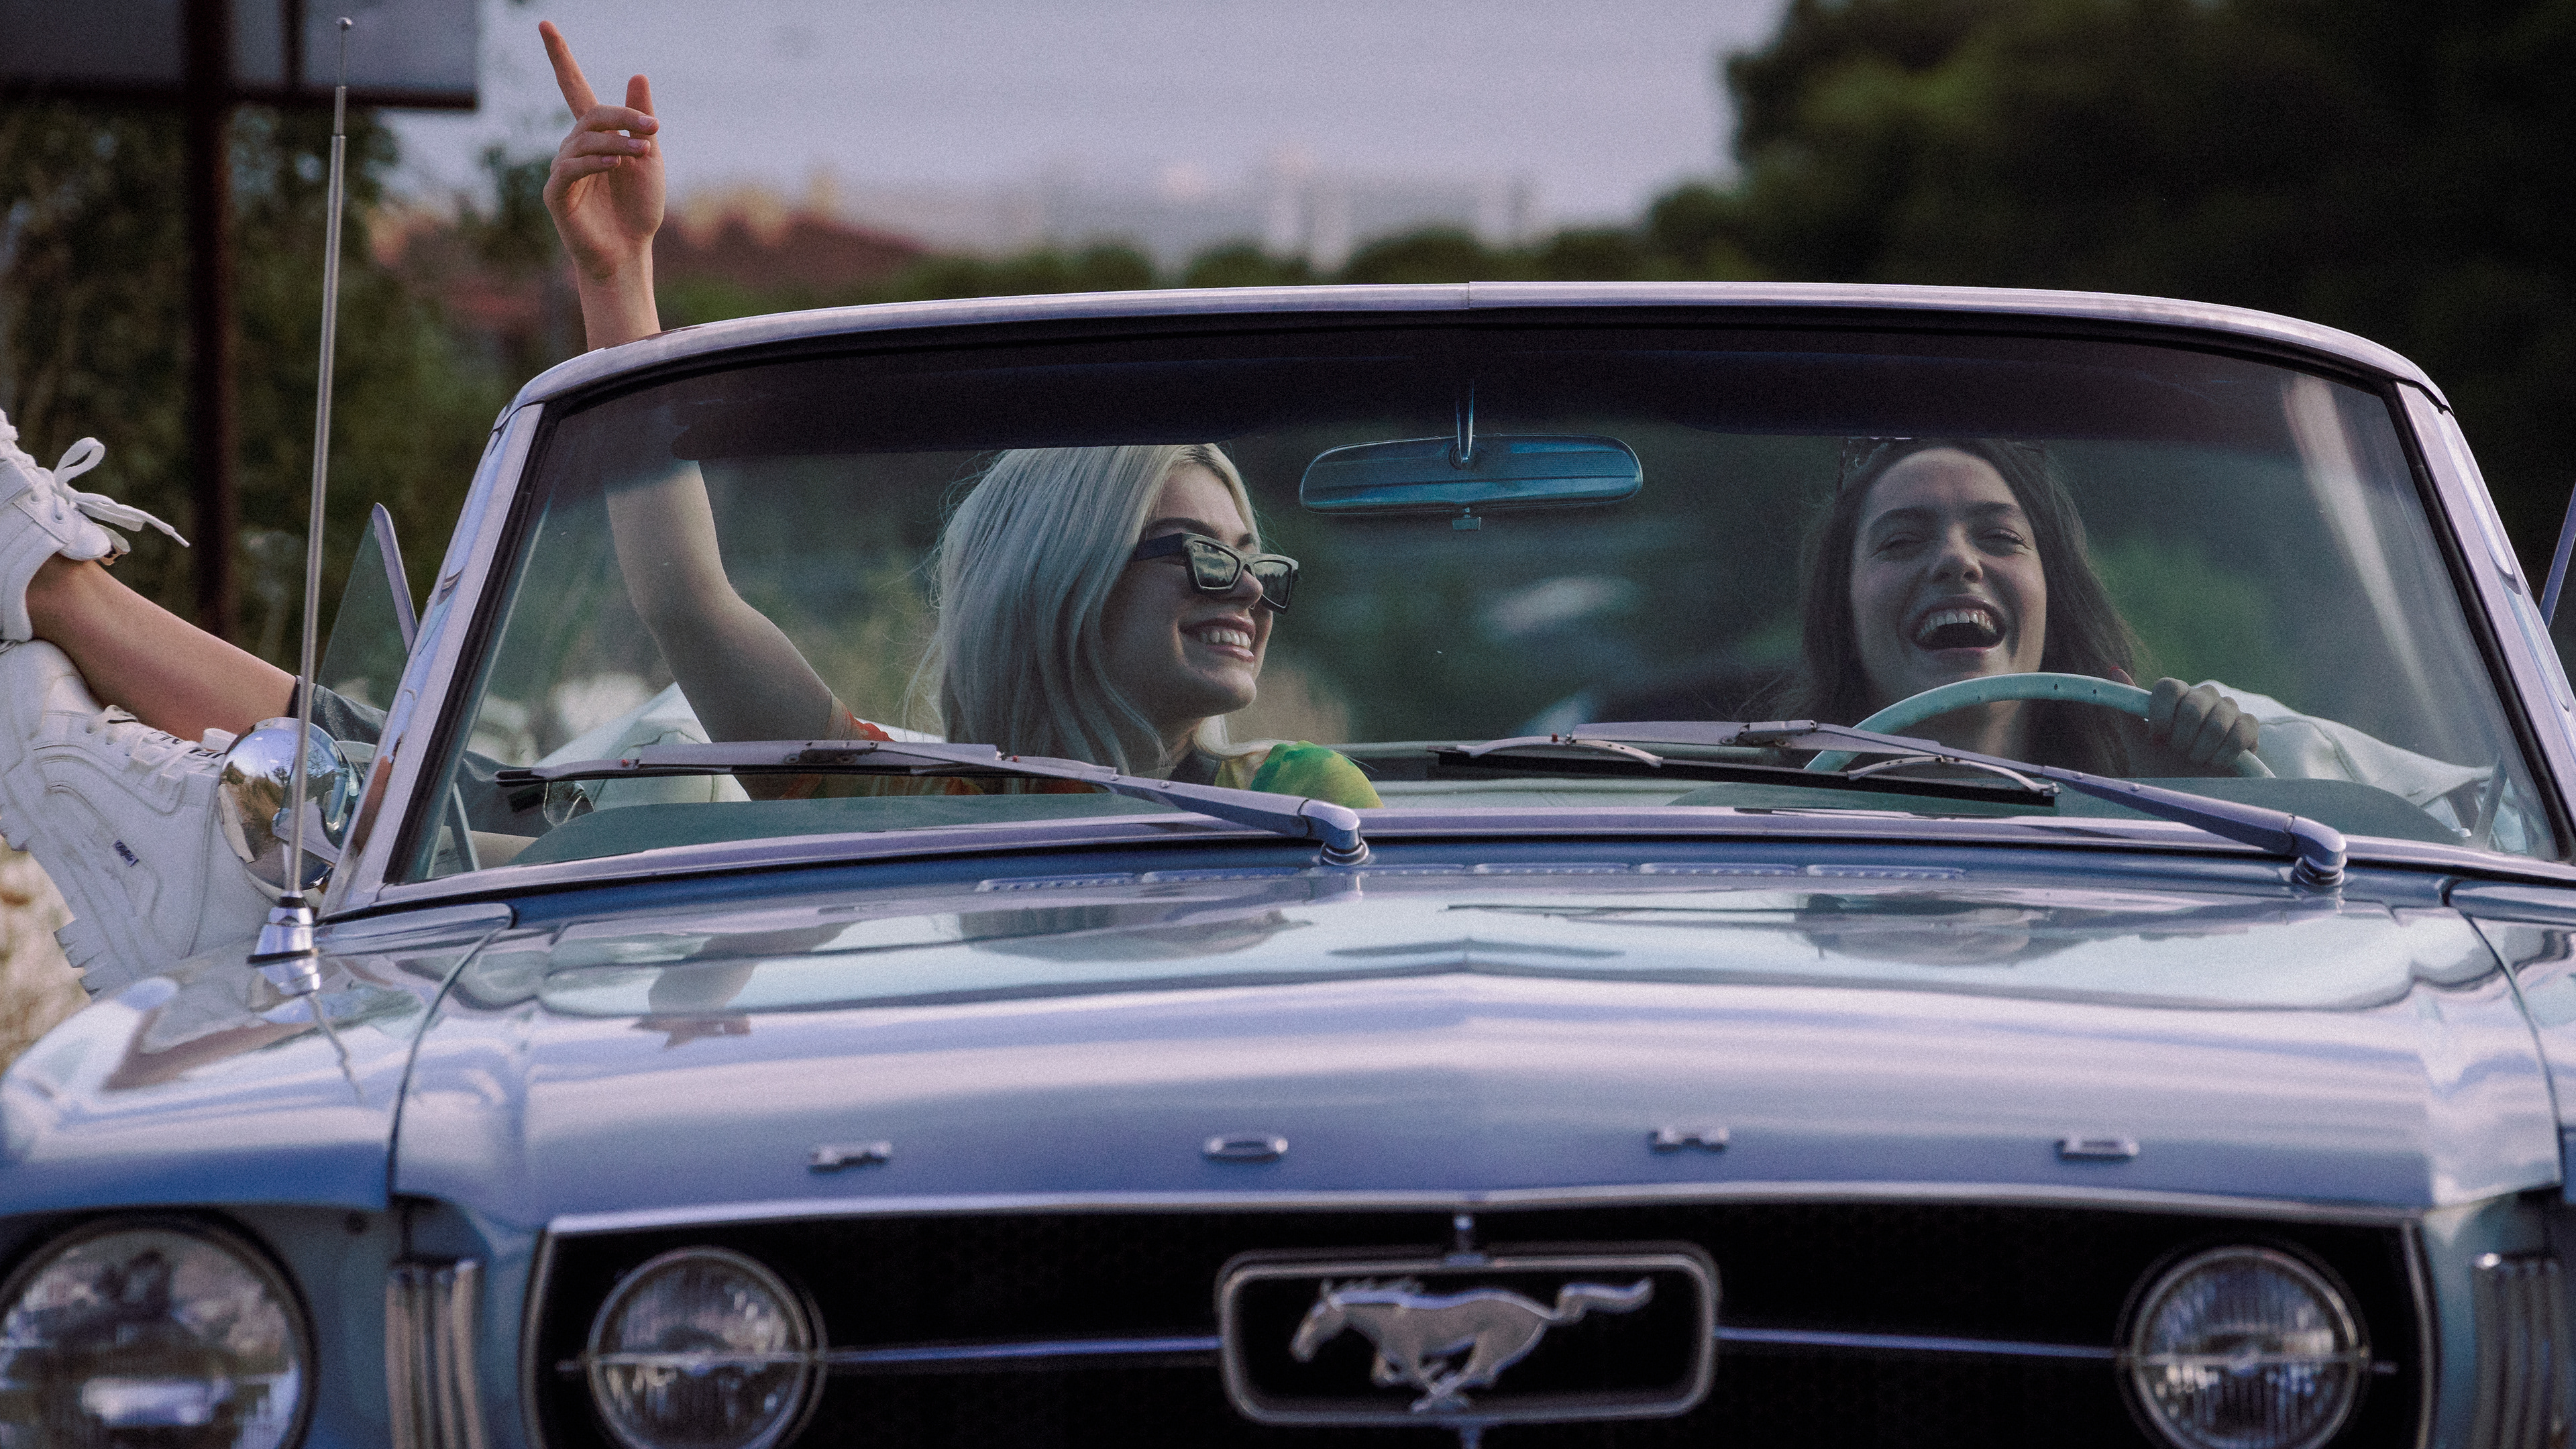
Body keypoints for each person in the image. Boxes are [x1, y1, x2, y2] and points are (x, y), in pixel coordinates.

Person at [1794, 436, 2259, 776]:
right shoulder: (1760, 830)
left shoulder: (2168, 799)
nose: (1958, 559)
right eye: (1901, 541)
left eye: (2001, 536)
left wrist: (2189, 801)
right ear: (1843, 616)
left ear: (2054, 605)